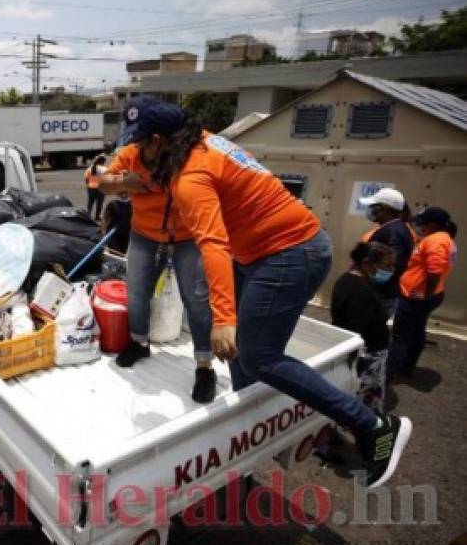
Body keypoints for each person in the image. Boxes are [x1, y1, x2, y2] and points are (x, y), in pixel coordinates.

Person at [122, 101, 411, 488]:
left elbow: (213, 245)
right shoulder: (205, 141)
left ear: (158, 141)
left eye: (141, 146)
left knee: (259, 355)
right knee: (243, 352)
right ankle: (248, 425)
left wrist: (223, 318)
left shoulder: (191, 177)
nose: (139, 155)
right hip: (266, 251)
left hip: (288, 253)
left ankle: (374, 426)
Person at [100, 95, 217, 404]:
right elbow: (101, 182)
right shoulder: (132, 153)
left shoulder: (189, 155)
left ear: (162, 137)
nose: (143, 146)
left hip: (186, 237)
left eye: (148, 140)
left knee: (196, 299)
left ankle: (204, 365)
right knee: (137, 292)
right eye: (139, 139)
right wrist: (124, 181)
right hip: (143, 235)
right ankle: (139, 343)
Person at [387, 207, 458, 381]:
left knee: (400, 336)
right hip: (428, 295)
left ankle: (388, 374)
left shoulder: (436, 241)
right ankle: (405, 368)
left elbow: (435, 271)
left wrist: (425, 295)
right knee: (417, 331)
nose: (420, 225)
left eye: (423, 222)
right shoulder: (444, 239)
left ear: (432, 224)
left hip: (416, 297)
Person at [331, 242, 396, 411]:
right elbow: (354, 332)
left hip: (365, 354)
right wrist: (355, 365)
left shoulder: (347, 278)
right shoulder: (361, 292)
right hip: (367, 357)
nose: (391, 270)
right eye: (387, 265)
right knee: (364, 399)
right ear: (367, 263)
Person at [357, 188, 416, 318]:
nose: (370, 210)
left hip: (379, 296)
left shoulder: (393, 232)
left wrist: (366, 282)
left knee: (366, 333)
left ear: (384, 209)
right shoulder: (396, 228)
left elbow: (388, 267)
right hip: (381, 293)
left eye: (373, 207)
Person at [84, 155, 107, 220]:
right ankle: (97, 216)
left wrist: (87, 185)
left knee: (90, 202)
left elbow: (86, 178)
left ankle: (88, 216)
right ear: (103, 162)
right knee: (99, 203)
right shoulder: (105, 169)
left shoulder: (90, 168)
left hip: (91, 187)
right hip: (101, 188)